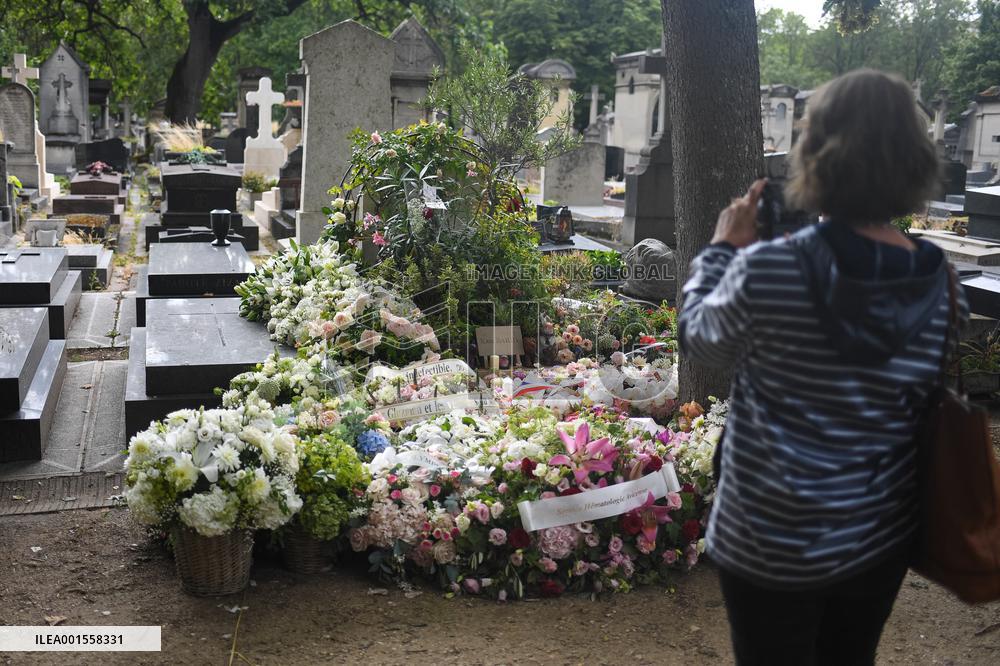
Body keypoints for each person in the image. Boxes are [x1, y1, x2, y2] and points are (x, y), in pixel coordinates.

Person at [678, 69, 966, 665]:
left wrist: (721, 249)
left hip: (769, 535)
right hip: (879, 532)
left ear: (816, 154)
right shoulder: (940, 279)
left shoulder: (771, 267)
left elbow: (701, 341)